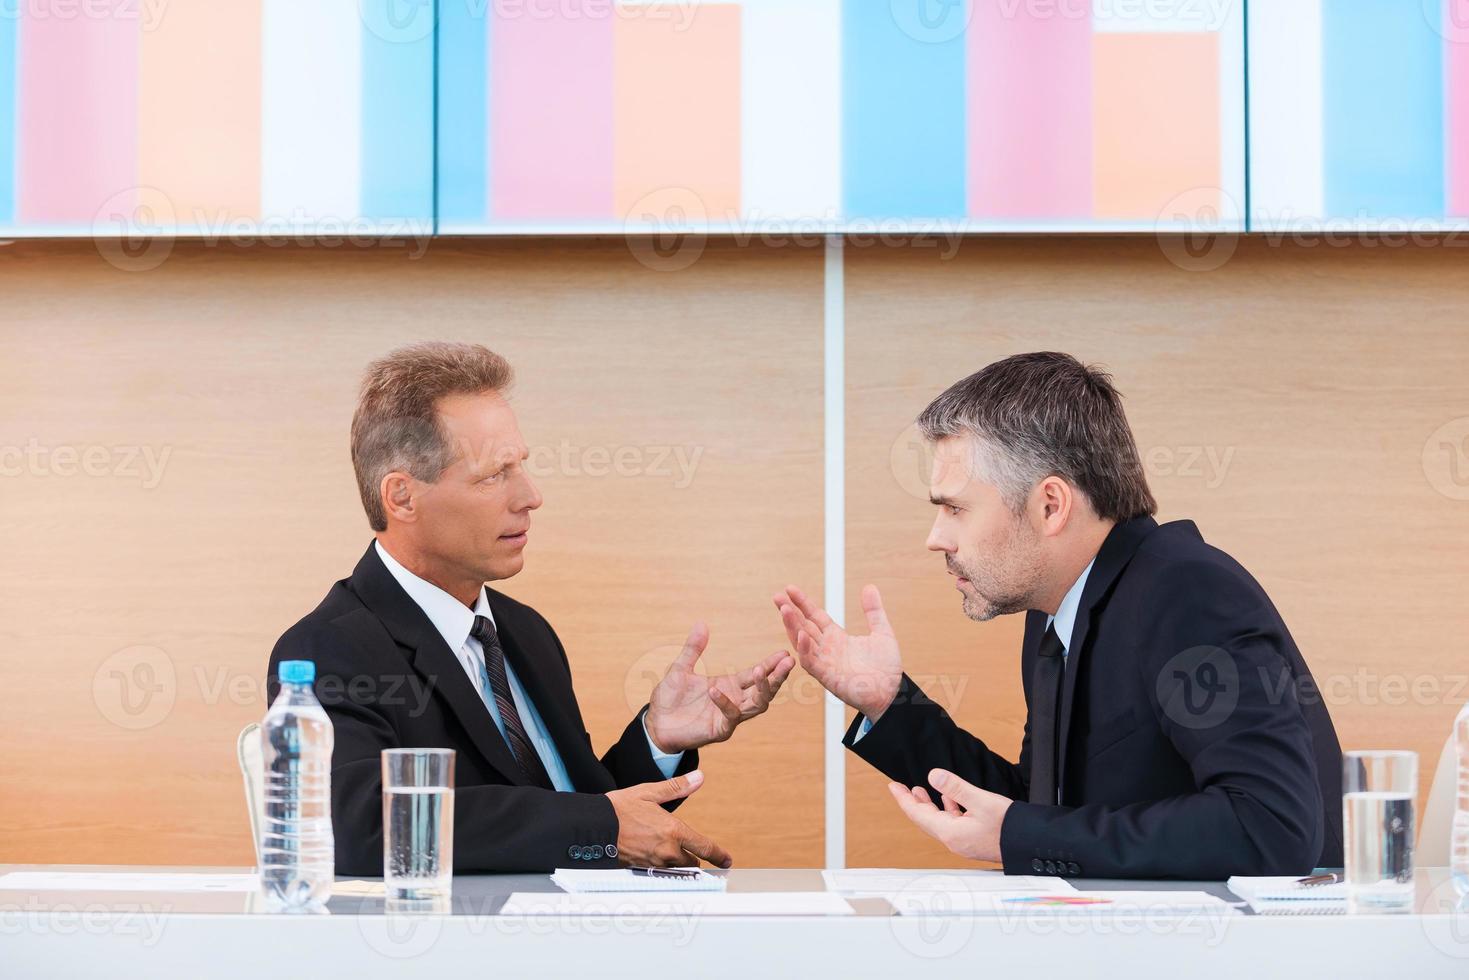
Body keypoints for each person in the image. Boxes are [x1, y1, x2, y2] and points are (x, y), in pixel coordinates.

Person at [776, 352, 1344, 880]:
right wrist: (887, 702)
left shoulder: (1186, 592)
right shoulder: (1059, 611)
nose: (935, 538)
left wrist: (1018, 834)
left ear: (1050, 505)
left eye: (955, 508)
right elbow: (1042, 809)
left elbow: (1271, 827)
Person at [269, 342, 793, 875]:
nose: (531, 495)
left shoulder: (525, 631)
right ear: (402, 497)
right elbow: (360, 829)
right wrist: (601, 828)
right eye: (494, 475)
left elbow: (574, 809)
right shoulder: (329, 647)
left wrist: (656, 739)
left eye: (521, 466)